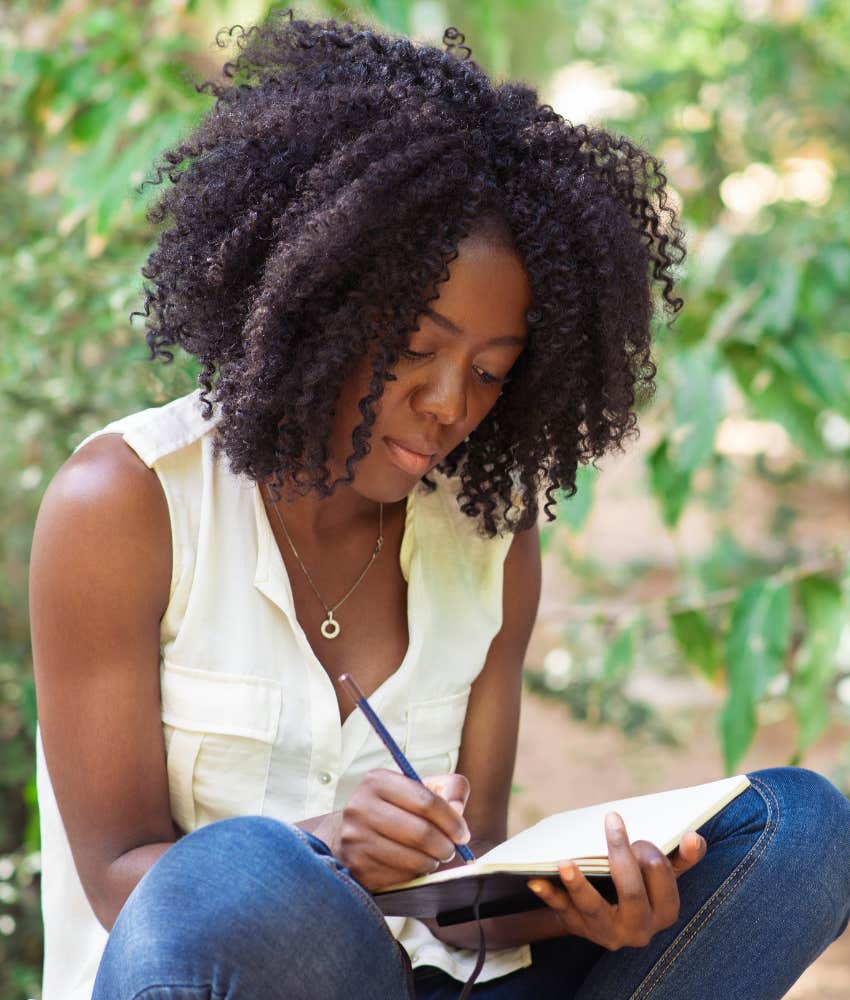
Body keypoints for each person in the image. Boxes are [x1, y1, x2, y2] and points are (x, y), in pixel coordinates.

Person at [28, 12, 850, 1000]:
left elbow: (470, 882)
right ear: (320, 299)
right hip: (221, 972)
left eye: (493, 373)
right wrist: (326, 851)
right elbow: (122, 877)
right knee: (244, 876)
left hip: (433, 982)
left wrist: (583, 902)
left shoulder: (487, 537)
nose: (450, 402)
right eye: (417, 349)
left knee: (800, 832)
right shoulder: (125, 502)